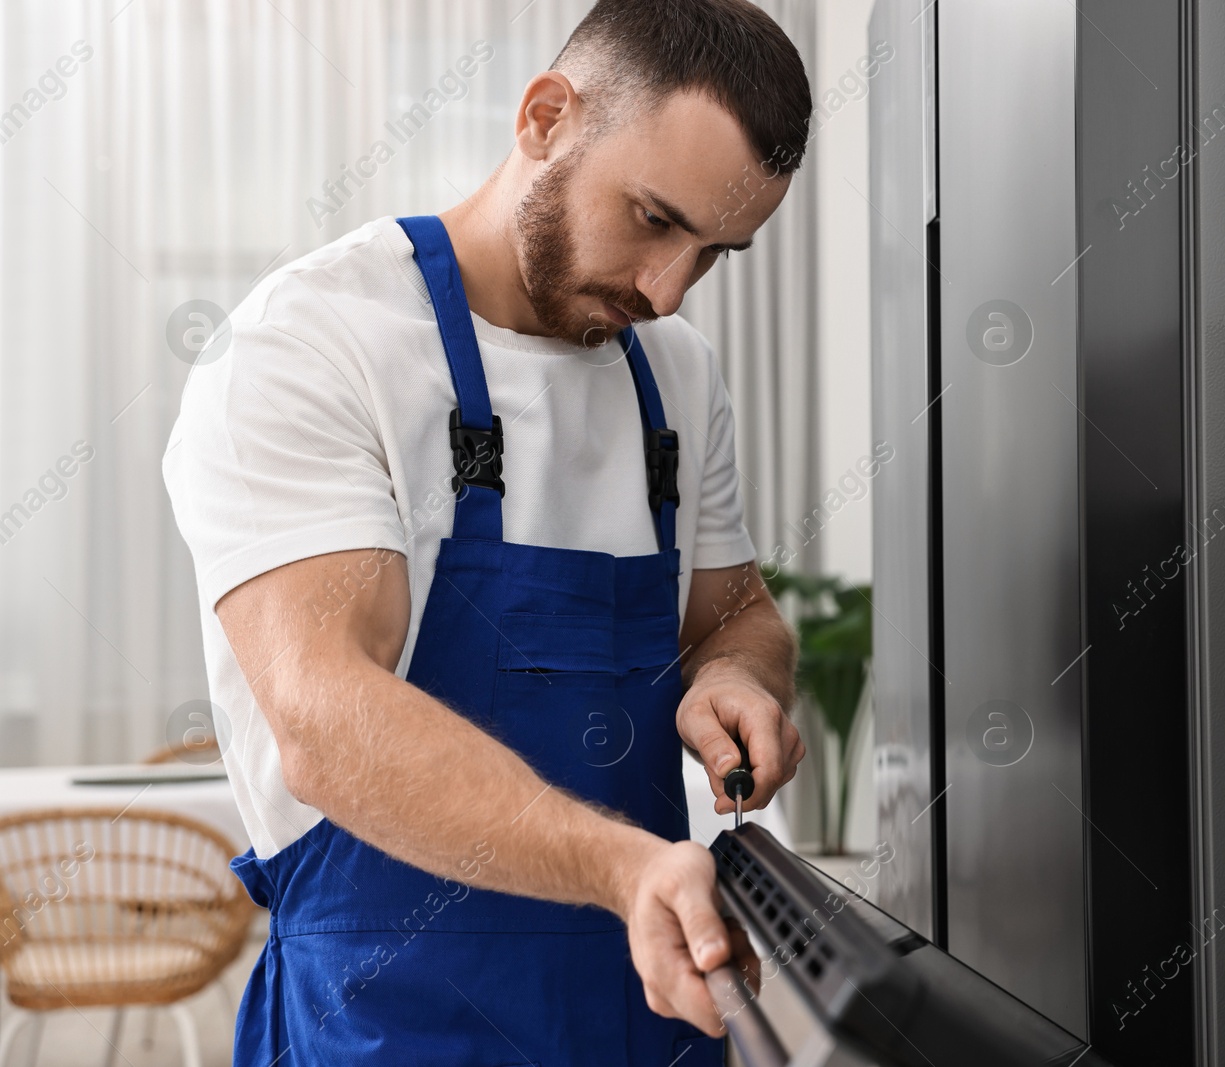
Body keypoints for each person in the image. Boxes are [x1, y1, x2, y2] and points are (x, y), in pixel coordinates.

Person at [162, 1, 812, 1062]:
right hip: (387, 1024)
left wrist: (736, 674)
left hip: (648, 1020)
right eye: (653, 219)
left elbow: (735, 616)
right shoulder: (309, 344)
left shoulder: (675, 373)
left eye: (712, 254)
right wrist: (617, 867)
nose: (664, 289)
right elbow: (328, 720)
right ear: (546, 118)